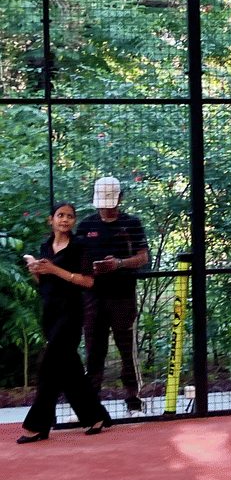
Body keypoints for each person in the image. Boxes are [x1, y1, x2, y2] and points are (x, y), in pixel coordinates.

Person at [18, 202, 112, 443]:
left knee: (49, 367)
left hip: (70, 313)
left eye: (70, 216)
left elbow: (89, 282)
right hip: (49, 312)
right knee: (70, 372)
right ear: (51, 219)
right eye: (60, 215)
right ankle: (95, 417)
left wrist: (56, 270)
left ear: (73, 221)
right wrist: (35, 269)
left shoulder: (80, 246)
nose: (65, 220)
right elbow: (44, 283)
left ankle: (37, 426)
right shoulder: (45, 247)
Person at [76, 176, 149, 415]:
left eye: (110, 202)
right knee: (94, 352)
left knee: (127, 350)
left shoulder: (132, 223)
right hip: (92, 298)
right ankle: (90, 405)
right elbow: (76, 259)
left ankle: (133, 401)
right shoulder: (86, 225)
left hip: (123, 296)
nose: (105, 207)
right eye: (102, 202)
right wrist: (89, 268)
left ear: (120, 198)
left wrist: (118, 264)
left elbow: (143, 257)